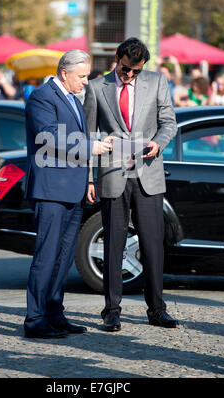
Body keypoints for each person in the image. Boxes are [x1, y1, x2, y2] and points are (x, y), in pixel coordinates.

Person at [83, 37, 179, 331]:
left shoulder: (157, 82)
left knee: (152, 246)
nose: (130, 75)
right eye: (126, 69)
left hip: (148, 174)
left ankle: (157, 310)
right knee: (113, 245)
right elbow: (88, 135)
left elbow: (169, 123)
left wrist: (158, 143)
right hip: (112, 175)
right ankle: (111, 310)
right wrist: (89, 178)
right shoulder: (97, 88)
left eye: (136, 71)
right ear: (117, 58)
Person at [24, 49, 113, 339]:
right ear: (65, 72)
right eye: (82, 76)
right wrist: (91, 148)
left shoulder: (73, 98)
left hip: (71, 191)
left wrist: (97, 141)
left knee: (62, 258)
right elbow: (48, 137)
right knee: (46, 257)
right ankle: (35, 320)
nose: (86, 82)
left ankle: (54, 313)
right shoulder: (42, 96)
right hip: (51, 191)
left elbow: (72, 137)